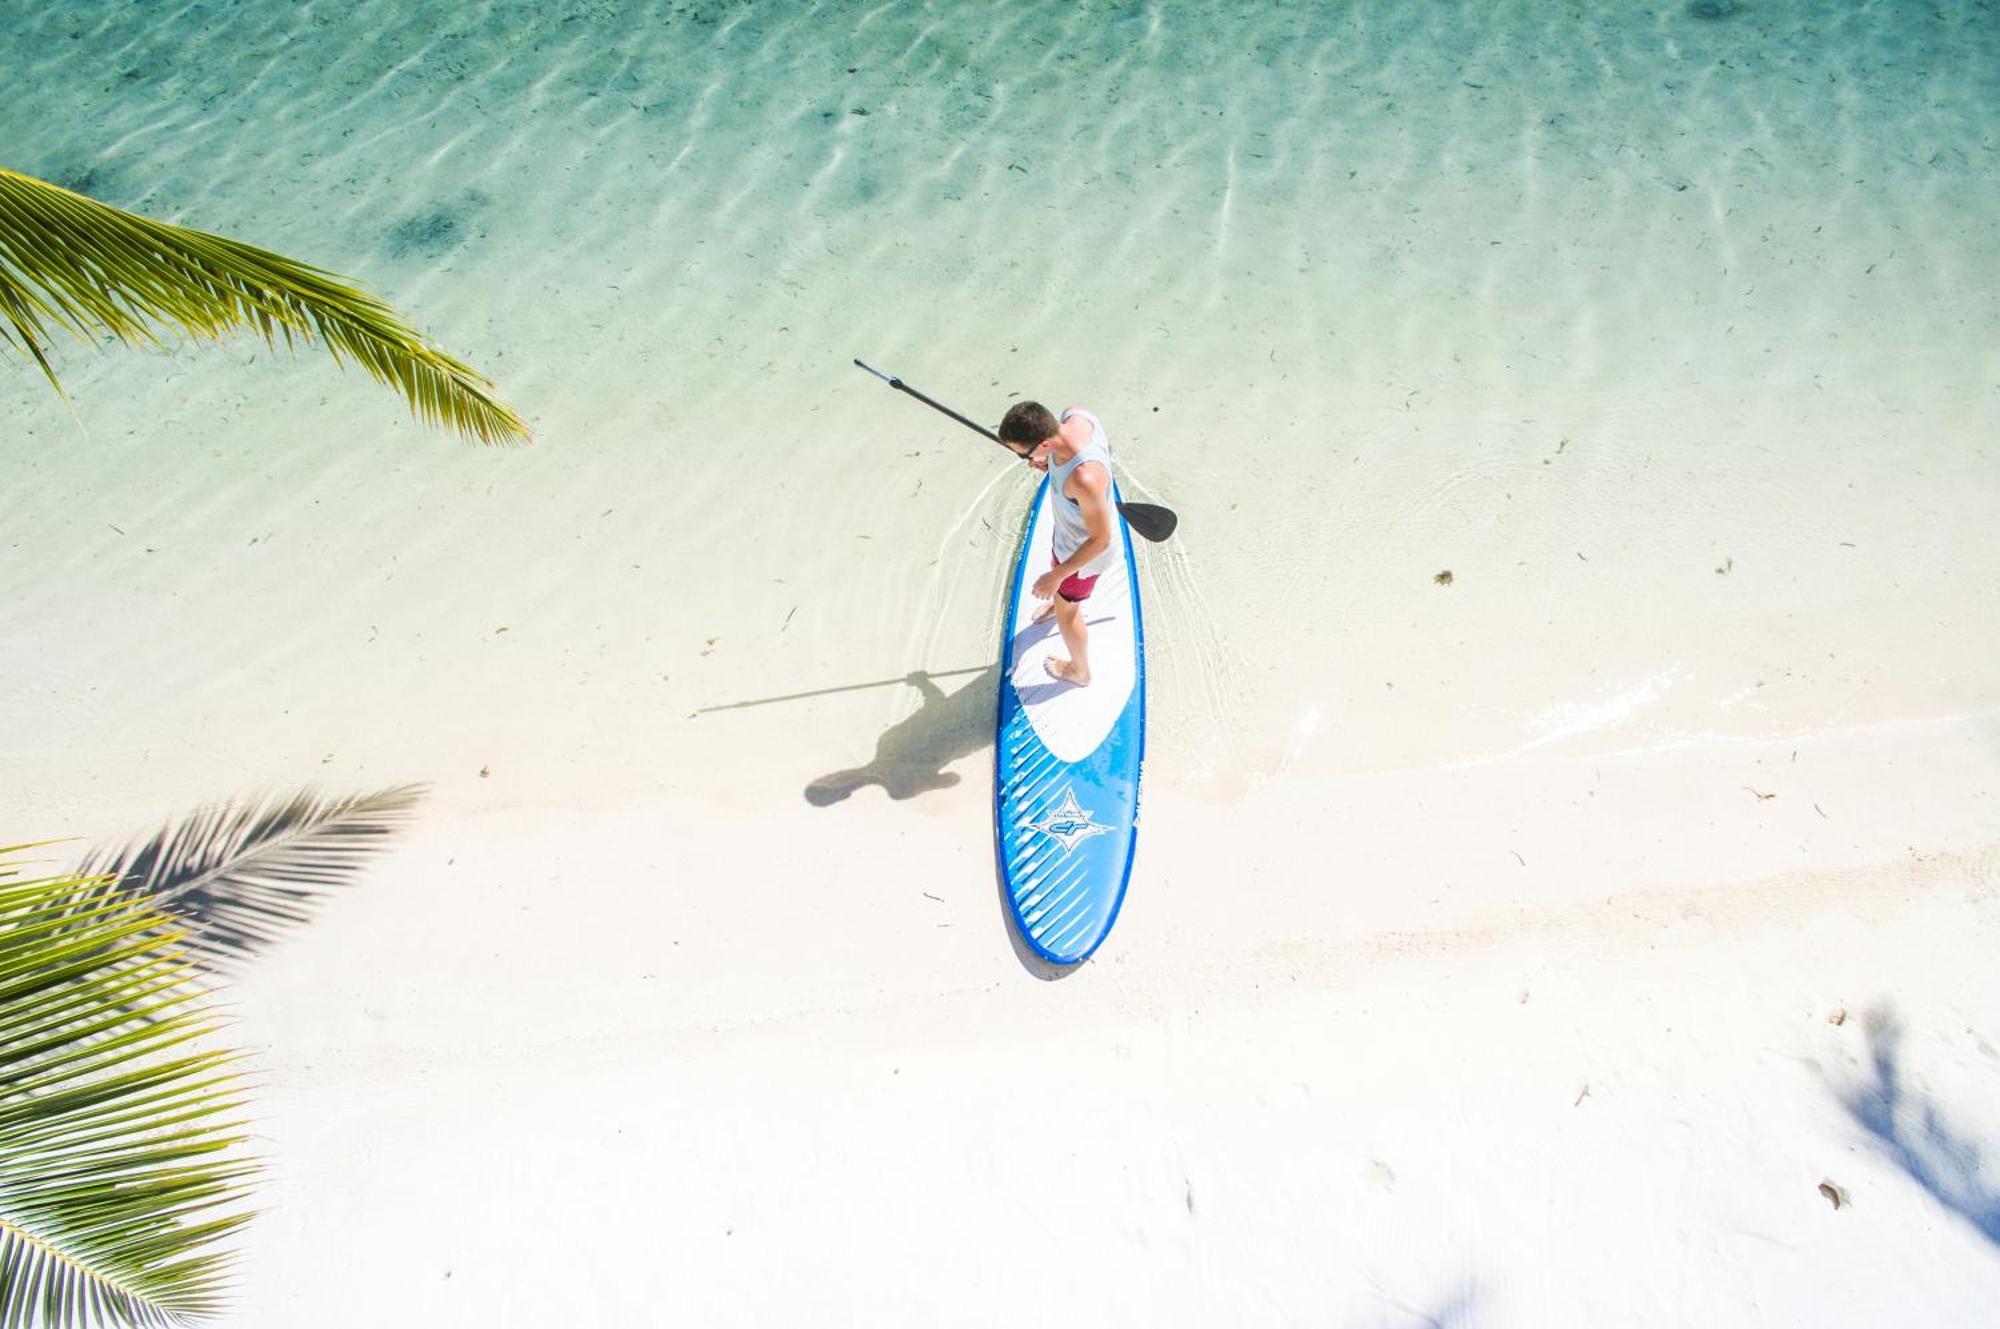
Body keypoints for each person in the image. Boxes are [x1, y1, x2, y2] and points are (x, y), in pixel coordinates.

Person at [997, 400, 1116, 687]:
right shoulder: (1076, 415)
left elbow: (1101, 539)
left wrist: (1057, 576)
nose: (1023, 459)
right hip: (1065, 537)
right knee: (1060, 596)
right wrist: (1049, 464)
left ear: (1045, 444)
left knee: (1068, 612)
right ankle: (1059, 601)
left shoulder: (1083, 478)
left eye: (1022, 453)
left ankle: (1079, 670)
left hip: (1082, 557)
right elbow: (1066, 455)